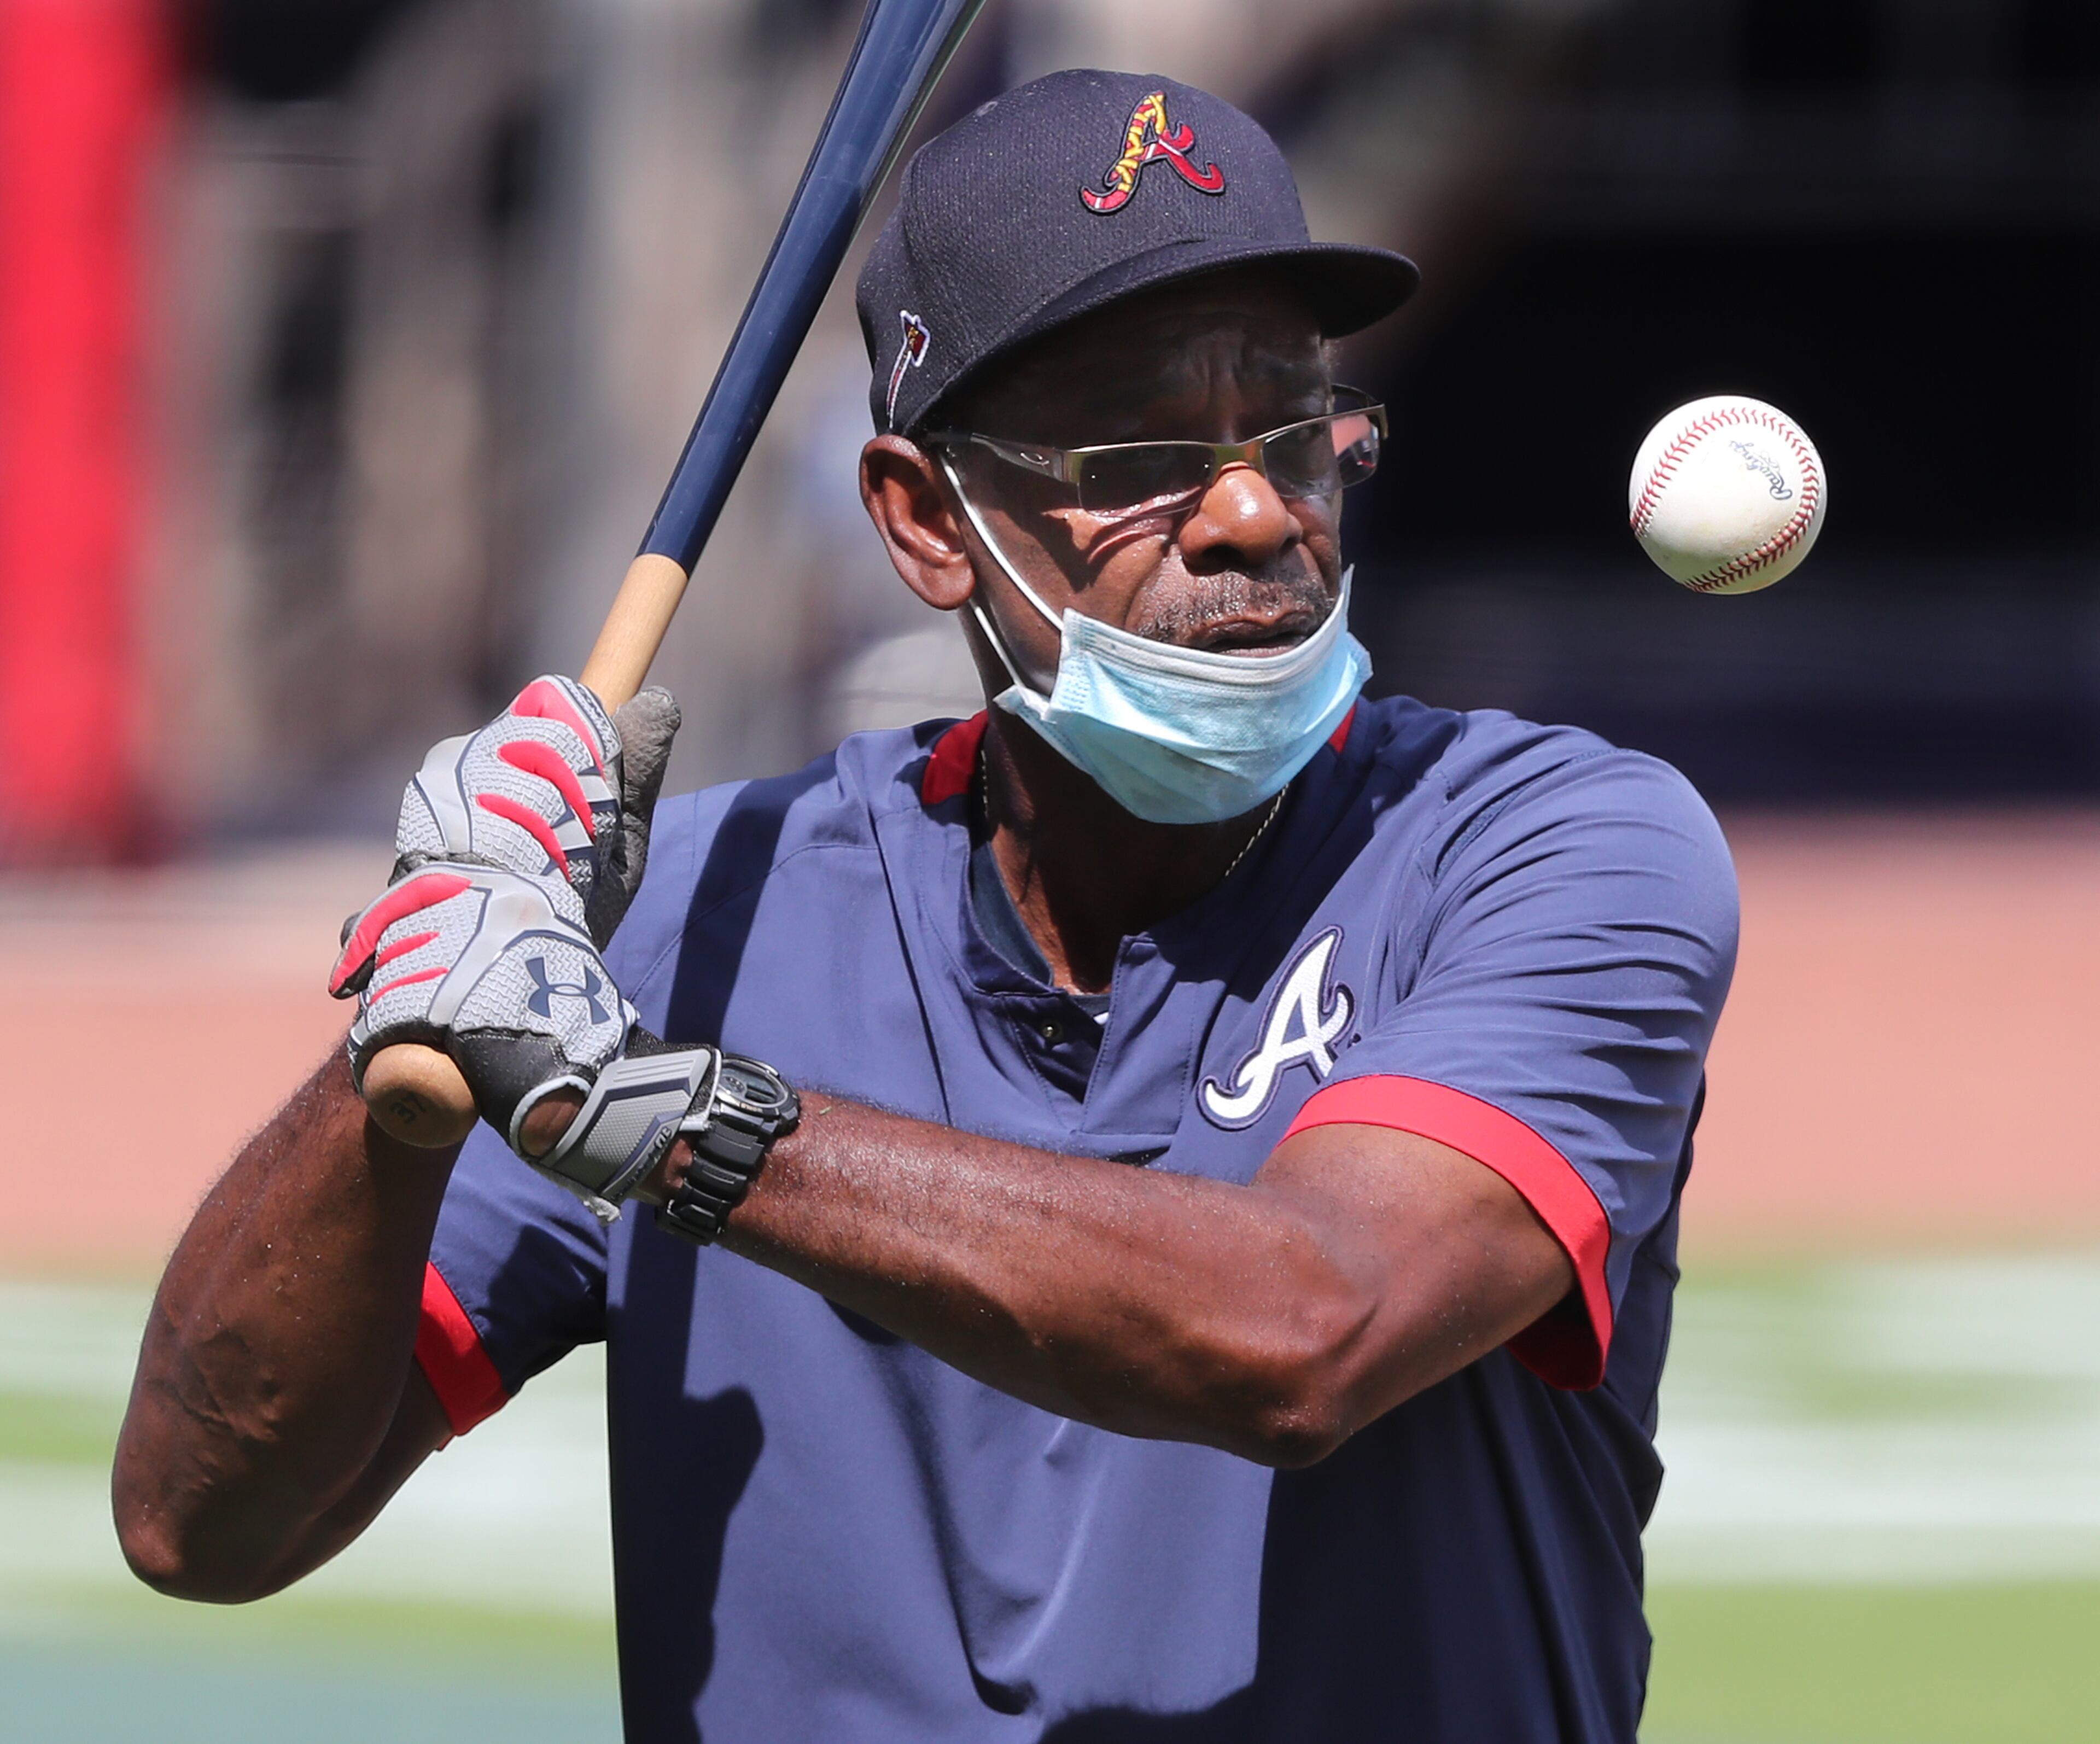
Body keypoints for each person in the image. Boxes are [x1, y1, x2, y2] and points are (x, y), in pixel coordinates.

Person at [115, 70, 1736, 1743]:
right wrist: (418, 1025)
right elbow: (197, 1521)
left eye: (1290, 425)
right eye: (1146, 453)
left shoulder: (1551, 846)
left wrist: (676, 1127)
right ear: (926, 520)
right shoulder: (707, 914)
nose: (1256, 513)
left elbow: (1304, 1328)